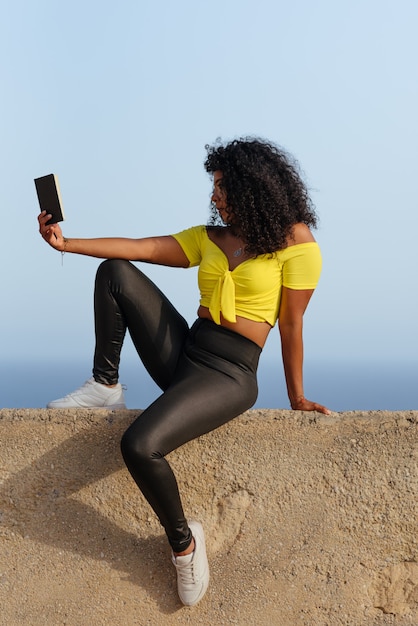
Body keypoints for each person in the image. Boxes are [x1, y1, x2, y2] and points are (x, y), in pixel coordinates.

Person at [38, 137, 330, 607]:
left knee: (139, 444)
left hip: (230, 373)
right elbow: (143, 247)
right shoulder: (212, 237)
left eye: (221, 185)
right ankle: (105, 383)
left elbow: (292, 325)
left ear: (251, 186)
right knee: (117, 270)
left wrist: (297, 397)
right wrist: (66, 244)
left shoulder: (298, 243)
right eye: (214, 186)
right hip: (187, 351)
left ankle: (184, 545)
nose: (214, 196)